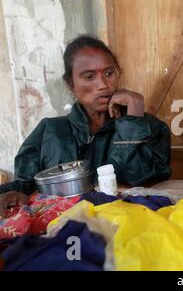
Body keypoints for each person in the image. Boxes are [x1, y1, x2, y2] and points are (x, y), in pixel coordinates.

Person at [0, 35, 171, 212]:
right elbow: (23, 185)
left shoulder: (150, 127)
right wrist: (12, 195)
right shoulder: (50, 132)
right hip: (66, 230)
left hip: (129, 224)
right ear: (70, 84)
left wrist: (133, 117)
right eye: (89, 77)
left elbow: (137, 179)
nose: (103, 85)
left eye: (109, 73)